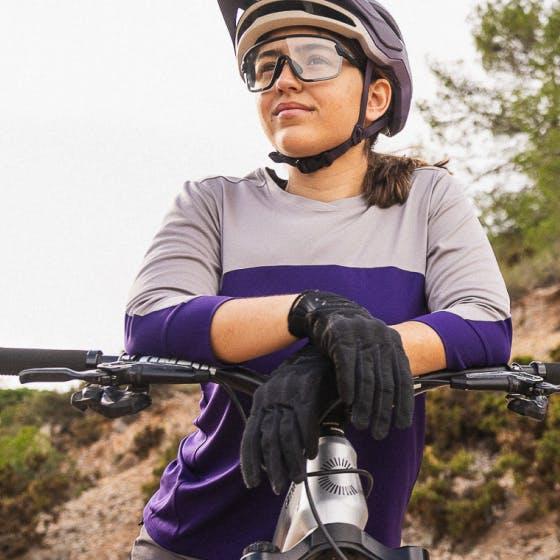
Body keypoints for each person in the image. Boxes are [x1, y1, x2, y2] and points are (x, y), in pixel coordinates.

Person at [126, 1, 512, 559]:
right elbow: (151, 321)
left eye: (314, 58)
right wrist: (312, 312)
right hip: (196, 540)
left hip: (356, 543)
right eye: (267, 64)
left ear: (375, 96)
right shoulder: (213, 204)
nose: (283, 80)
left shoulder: (426, 199)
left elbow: (484, 325)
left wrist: (328, 364)